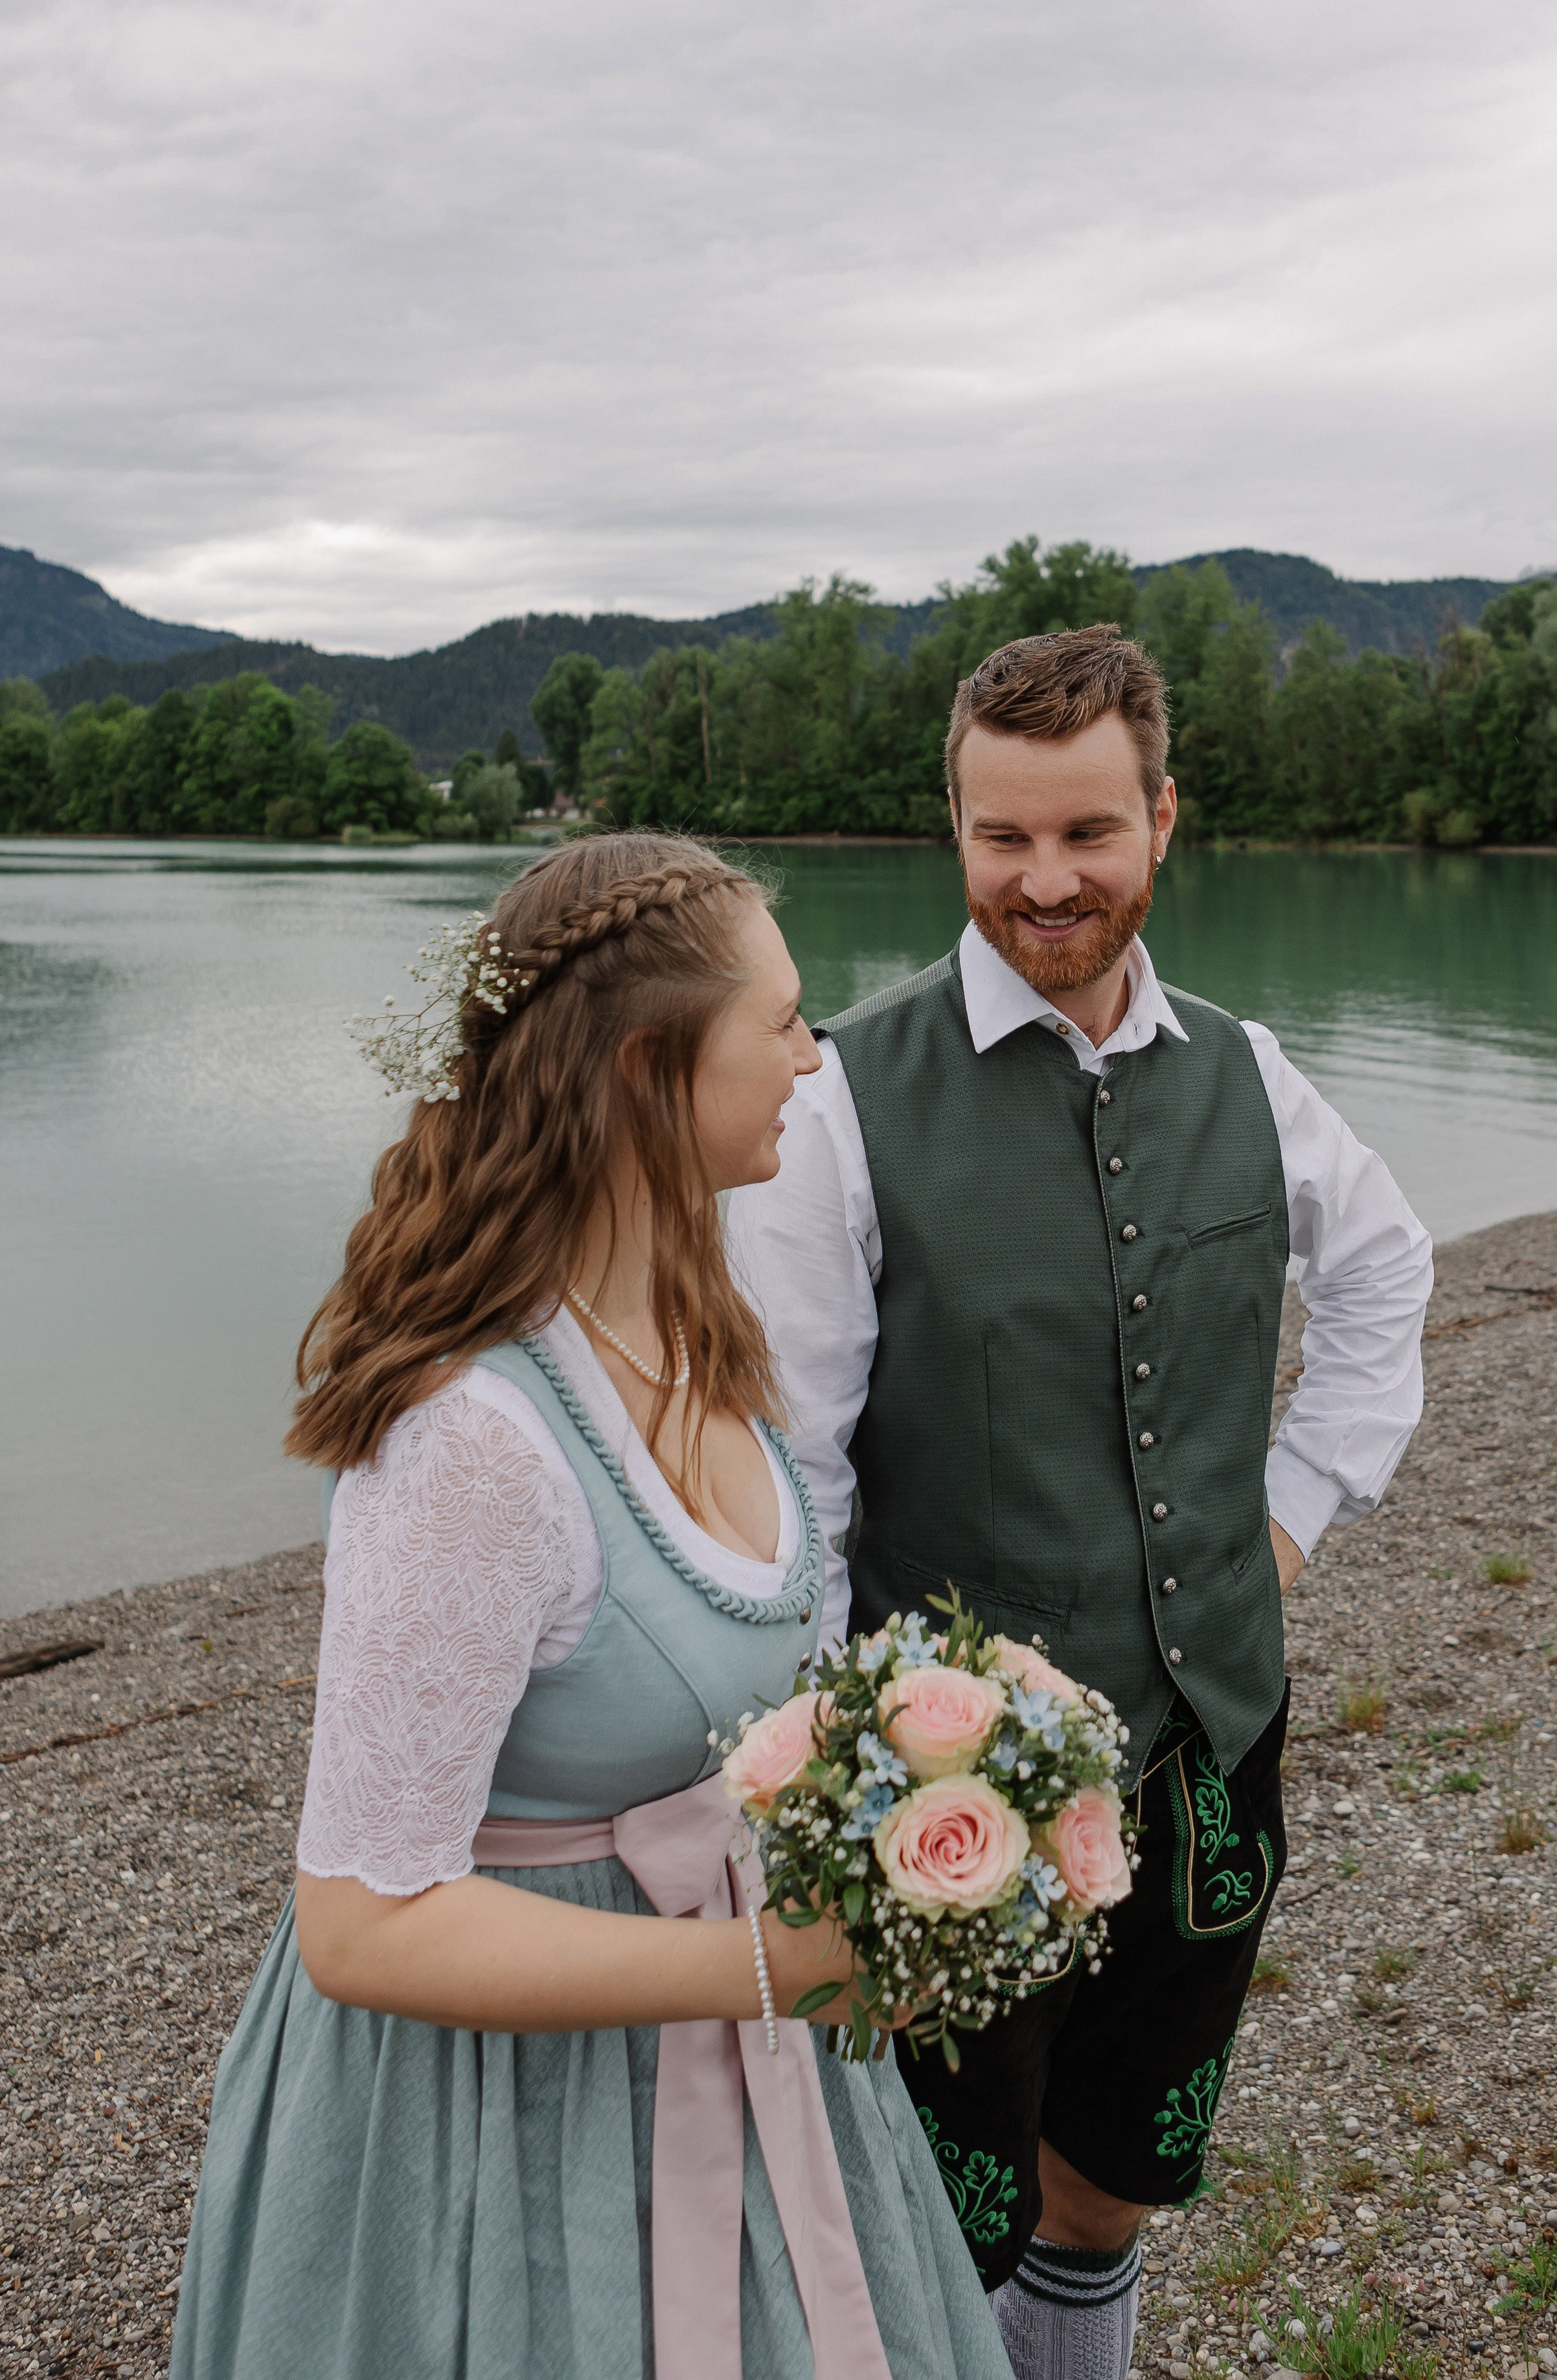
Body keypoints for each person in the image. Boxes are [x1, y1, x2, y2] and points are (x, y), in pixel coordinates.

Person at [170, 833, 1012, 2380]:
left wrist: (923, 1749)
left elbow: (705, 1686)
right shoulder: (468, 1445)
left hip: (747, 2045)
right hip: (489, 2128)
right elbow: (362, 1925)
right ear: (645, 1071)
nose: (815, 1059)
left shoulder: (697, 1311)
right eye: (778, 1022)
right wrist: (769, 1969)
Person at [727, 626, 1435, 2380]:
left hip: (1209, 1749)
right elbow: (797, 1457)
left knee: (1116, 2173)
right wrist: (823, 1758)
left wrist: (1287, 1515)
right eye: (1003, 839)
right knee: (943, 2200)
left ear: (1163, 821)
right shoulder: (843, 1101)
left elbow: (1387, 1279)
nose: (1046, 883)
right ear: (955, 829)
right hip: (942, 1779)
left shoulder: (1251, 1074)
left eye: (1087, 835)